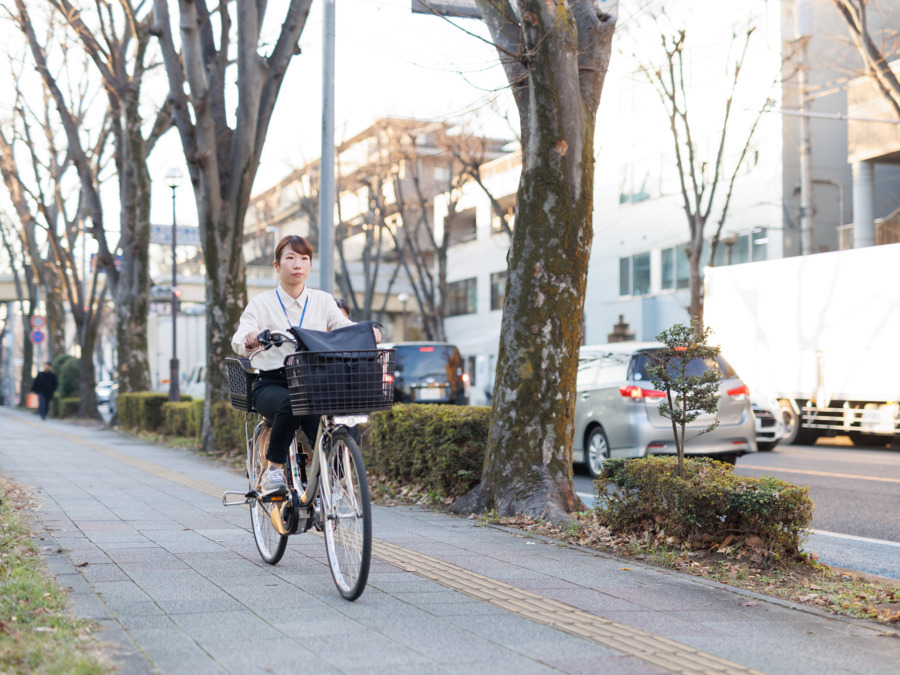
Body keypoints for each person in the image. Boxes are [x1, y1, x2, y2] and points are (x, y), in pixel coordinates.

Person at [231, 235, 379, 495]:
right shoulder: (261, 303)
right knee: (292, 403)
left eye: (304, 258)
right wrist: (251, 338)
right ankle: (273, 470)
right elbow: (240, 338)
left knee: (342, 427)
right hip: (272, 383)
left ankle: (323, 488)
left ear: (310, 265)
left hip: (315, 383)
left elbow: (344, 327)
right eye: (290, 258)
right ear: (277, 266)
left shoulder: (323, 300)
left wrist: (368, 333)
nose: (297, 264)